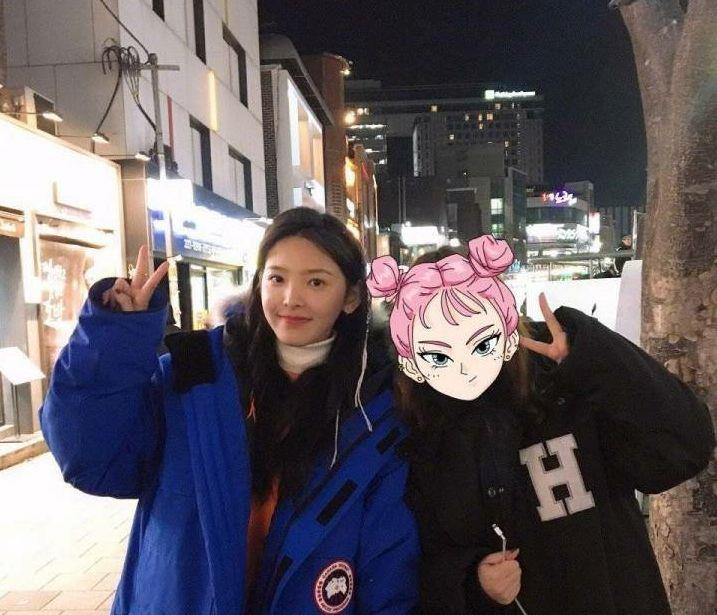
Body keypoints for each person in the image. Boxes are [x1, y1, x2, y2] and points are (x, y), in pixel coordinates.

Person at [41, 207, 419, 614]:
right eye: (277, 278)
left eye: (316, 282)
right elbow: (92, 461)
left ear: (351, 297)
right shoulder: (195, 373)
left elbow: (387, 564)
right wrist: (115, 339)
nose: (291, 298)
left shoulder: (375, 406)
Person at [366, 236, 714, 615]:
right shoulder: (417, 432)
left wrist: (589, 356)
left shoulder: (561, 385)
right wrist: (472, 581)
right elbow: (415, 563)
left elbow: (684, 446)